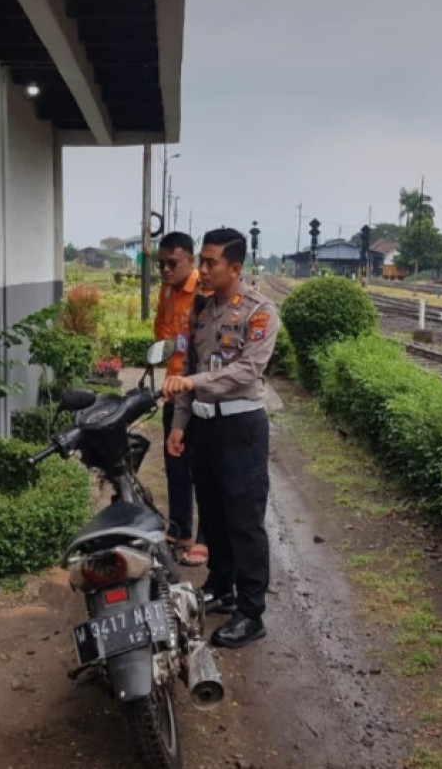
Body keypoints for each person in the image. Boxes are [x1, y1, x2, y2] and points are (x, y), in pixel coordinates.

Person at [163, 228, 279, 650]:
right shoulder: (200, 310)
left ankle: (251, 611)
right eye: (202, 261)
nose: (204, 270)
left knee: (244, 520)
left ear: (235, 267)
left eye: (211, 263)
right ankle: (222, 585)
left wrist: (191, 382)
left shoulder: (258, 313)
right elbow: (189, 368)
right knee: (211, 511)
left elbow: (247, 372)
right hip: (203, 425)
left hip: (240, 428)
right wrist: (179, 425)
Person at [153, 232, 208, 567]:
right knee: (175, 463)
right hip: (174, 391)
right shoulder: (168, 291)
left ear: (190, 259)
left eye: (172, 263)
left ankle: (205, 538)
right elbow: (162, 334)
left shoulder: (206, 292)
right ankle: (180, 529)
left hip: (199, 391)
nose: (165, 270)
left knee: (202, 469)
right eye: (161, 264)